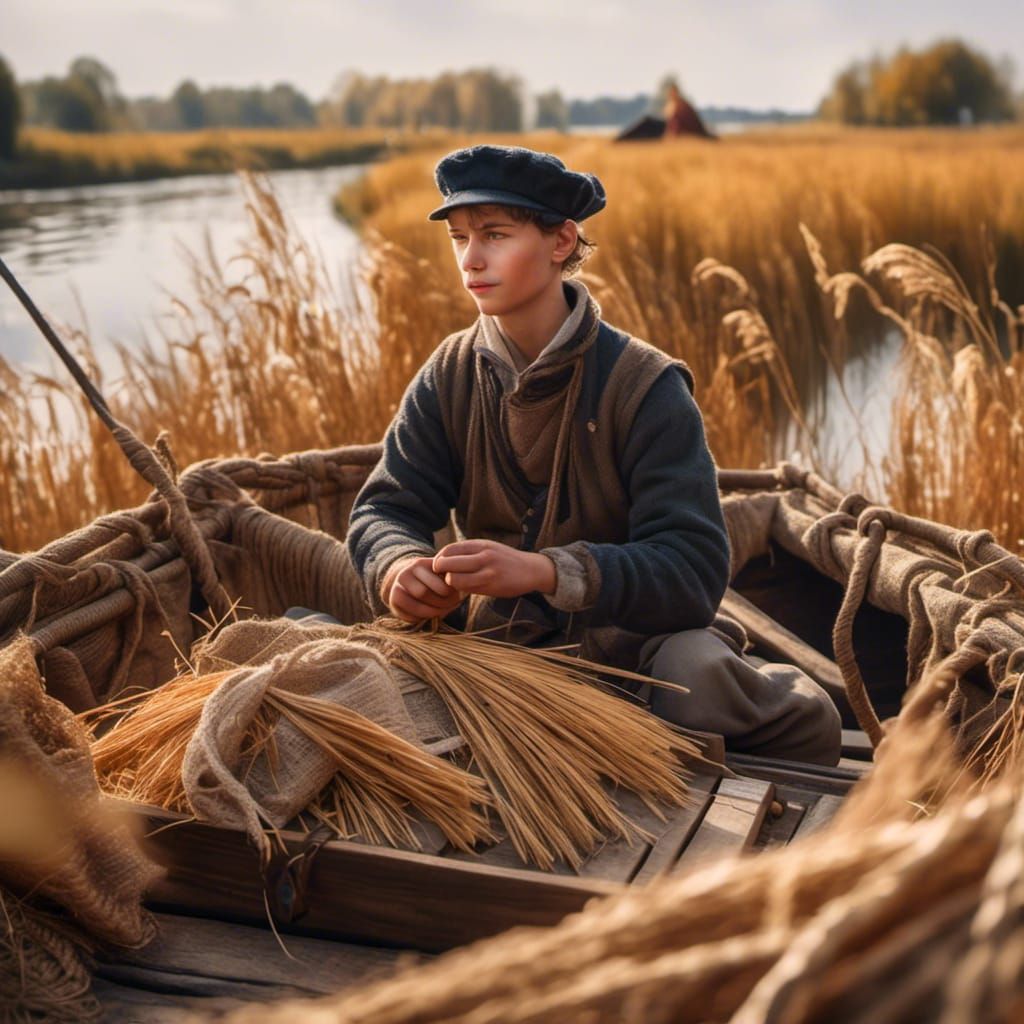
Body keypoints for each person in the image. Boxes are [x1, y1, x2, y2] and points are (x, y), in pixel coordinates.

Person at [346, 144, 840, 765]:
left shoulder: (647, 386)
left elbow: (692, 573)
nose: (471, 259)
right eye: (461, 237)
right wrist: (398, 568)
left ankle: (785, 706)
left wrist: (548, 572)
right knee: (333, 663)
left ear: (561, 243)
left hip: (642, 658)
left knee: (699, 676)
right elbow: (383, 511)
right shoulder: (449, 373)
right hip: (500, 657)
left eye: (495, 235)